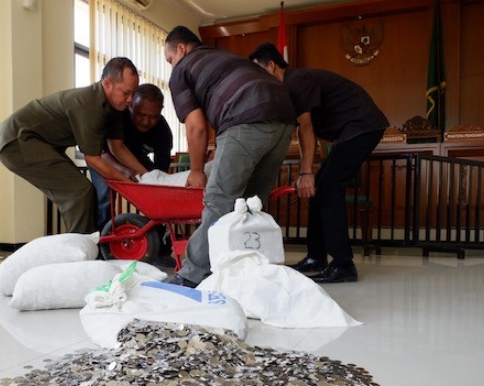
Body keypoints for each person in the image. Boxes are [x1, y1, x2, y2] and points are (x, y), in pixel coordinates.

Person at [163, 26, 296, 287]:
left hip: (245, 116)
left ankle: (192, 276)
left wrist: (197, 170)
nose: (171, 66)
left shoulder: (183, 69)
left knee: (219, 200)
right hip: (284, 118)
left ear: (181, 49)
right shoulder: (222, 57)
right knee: (252, 202)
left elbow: (196, 126)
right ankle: (250, 273)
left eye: (169, 60)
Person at [249, 42, 390, 283]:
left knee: (327, 188)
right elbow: (319, 130)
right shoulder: (291, 87)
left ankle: (343, 265)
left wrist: (306, 172)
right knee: (319, 189)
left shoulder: (296, 81)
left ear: (271, 66)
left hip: (363, 126)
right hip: (352, 130)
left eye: (257, 70)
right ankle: (316, 256)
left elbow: (306, 127)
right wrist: (316, 170)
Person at [0, 58, 148, 234]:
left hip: (40, 142)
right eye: (126, 92)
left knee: (79, 192)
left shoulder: (115, 108)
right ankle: (81, 251)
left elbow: (118, 148)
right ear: (107, 84)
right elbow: (94, 159)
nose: (130, 99)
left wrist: (148, 176)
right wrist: (131, 186)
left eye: (133, 93)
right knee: (79, 191)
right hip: (18, 141)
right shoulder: (89, 105)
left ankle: (85, 245)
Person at [88, 83, 173, 229]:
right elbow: (102, 154)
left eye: (153, 117)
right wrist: (124, 171)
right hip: (104, 158)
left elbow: (160, 170)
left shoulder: (163, 132)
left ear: (161, 111)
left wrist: (151, 182)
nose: (146, 121)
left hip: (136, 159)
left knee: (158, 189)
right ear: (130, 105)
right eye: (140, 114)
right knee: (104, 194)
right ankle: (103, 238)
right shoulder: (118, 118)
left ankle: (160, 237)